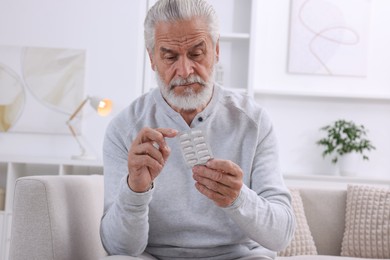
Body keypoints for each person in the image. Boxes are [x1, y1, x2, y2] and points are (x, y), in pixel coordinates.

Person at [100, 0, 295, 259]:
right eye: (170, 56)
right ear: (152, 59)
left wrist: (238, 198)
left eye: (196, 53)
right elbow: (119, 248)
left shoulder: (254, 122)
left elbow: (280, 236)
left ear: (216, 51)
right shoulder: (124, 129)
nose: (185, 70)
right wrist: (135, 189)